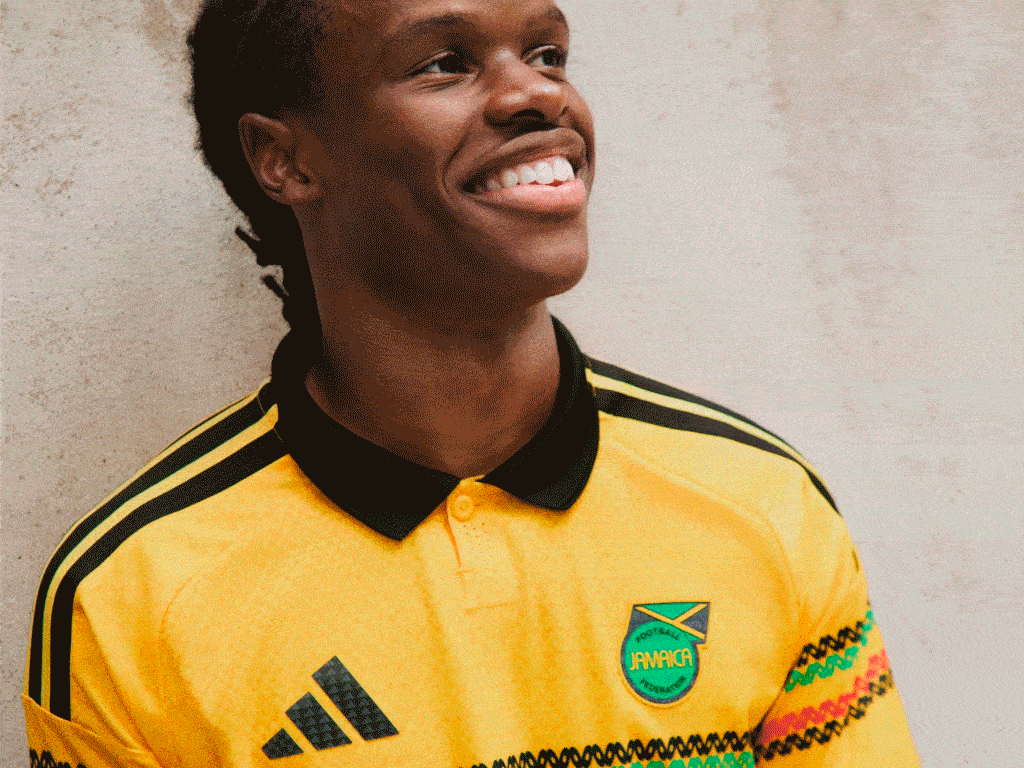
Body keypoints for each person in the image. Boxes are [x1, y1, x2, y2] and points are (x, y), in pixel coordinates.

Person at [23, 0, 921, 765]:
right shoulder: (131, 591)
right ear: (286, 160)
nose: (539, 93)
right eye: (444, 62)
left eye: (546, 53)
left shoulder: (761, 505)